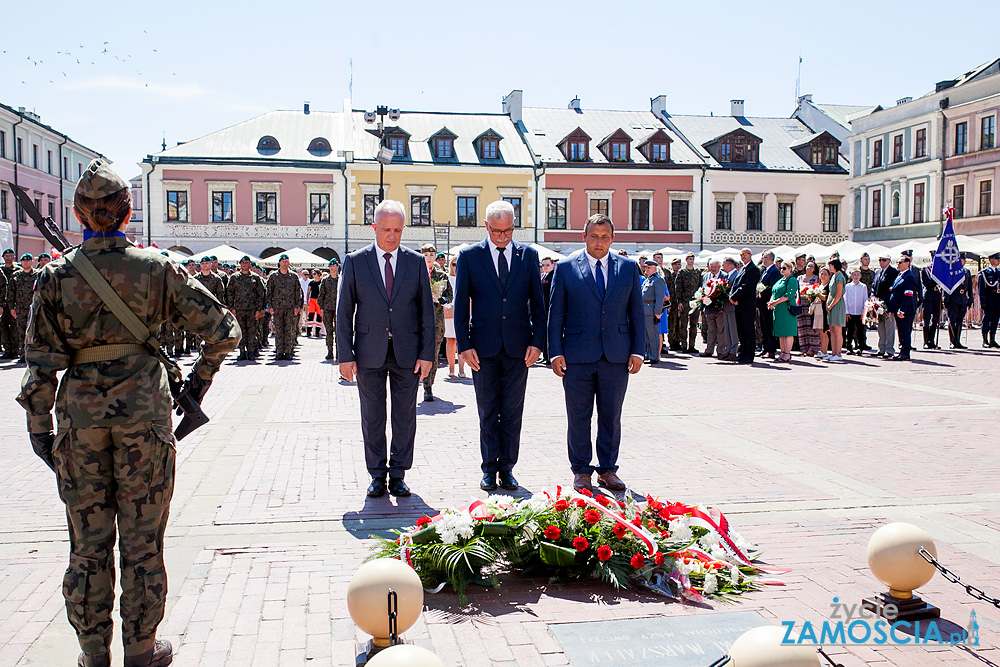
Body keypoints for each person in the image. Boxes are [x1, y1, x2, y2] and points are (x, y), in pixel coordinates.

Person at [17, 159, 239, 667]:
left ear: (77, 214)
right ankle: (141, 649)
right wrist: (198, 386)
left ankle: (94, 653)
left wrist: (38, 428)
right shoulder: (156, 268)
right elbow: (224, 330)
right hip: (146, 422)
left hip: (80, 425)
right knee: (142, 544)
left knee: (88, 545)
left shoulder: (54, 276)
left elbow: (41, 364)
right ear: (127, 210)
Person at [337, 200, 434, 499]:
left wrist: (427, 354)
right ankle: (377, 474)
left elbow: (426, 312)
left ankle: (399, 474)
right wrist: (345, 356)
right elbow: (343, 311)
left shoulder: (415, 262)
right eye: (386, 229)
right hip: (368, 351)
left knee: (405, 416)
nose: (391, 236)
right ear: (374, 228)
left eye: (397, 230)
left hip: (408, 352)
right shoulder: (355, 261)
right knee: (373, 416)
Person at [548, 214, 643, 492]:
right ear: (584, 236)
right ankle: (581, 470)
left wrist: (638, 350)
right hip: (576, 356)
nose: (599, 242)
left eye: (604, 237)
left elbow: (635, 311)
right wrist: (555, 352)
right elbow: (556, 314)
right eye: (594, 236)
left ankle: (608, 469)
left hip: (616, 355)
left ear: (613, 239)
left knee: (611, 416)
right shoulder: (565, 268)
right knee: (578, 415)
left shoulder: (627, 268)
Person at [454, 200, 545, 491]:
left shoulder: (528, 255)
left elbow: (539, 305)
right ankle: (488, 467)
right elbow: (460, 306)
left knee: (513, 410)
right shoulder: (469, 256)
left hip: (519, 348)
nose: (502, 237)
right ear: (486, 226)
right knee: (487, 409)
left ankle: (507, 468)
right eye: (496, 231)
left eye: (507, 231)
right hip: (482, 348)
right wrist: (464, 345)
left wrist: (537, 342)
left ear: (514, 227)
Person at [420, 243, 452, 402]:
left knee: (433, 353)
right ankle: (416, 382)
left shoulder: (442, 275)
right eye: (426, 255)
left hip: (436, 319)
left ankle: (428, 386)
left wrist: (444, 300)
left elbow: (449, 295)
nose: (429, 258)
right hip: (417, 320)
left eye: (431, 255)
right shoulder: (415, 273)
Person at [225, 256, 266, 360]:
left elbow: (261, 294)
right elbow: (229, 293)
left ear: (250, 265)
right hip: (239, 309)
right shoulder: (234, 278)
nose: (244, 264)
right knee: (240, 331)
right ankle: (242, 351)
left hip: (252, 309)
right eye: (242, 263)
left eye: (246, 263)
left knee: (252, 331)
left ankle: (251, 352)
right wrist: (232, 307)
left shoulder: (255, 278)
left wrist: (259, 309)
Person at [265, 254, 303, 361]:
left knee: (289, 329)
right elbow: (269, 292)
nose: (285, 263)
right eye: (283, 261)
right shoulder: (273, 276)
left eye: (286, 261)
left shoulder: (293, 276)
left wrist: (297, 306)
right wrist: (270, 306)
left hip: (290, 308)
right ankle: (280, 351)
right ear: (279, 263)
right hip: (277, 307)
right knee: (279, 330)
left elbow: (298, 292)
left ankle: (288, 351)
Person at [728, 248, 761, 364]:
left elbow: (747, 286)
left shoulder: (754, 269)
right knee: (741, 330)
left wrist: (734, 297)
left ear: (751, 255)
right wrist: (731, 296)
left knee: (748, 330)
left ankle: (749, 354)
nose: (743, 256)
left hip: (747, 304)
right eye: (741, 254)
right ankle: (742, 354)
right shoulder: (742, 268)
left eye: (746, 254)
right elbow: (735, 285)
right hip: (739, 304)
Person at [767, 260, 799, 362]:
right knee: (781, 332)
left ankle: (787, 353)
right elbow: (774, 291)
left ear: (790, 269)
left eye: (784, 268)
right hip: (778, 309)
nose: (782, 270)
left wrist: (775, 302)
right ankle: (782, 352)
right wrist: (771, 301)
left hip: (787, 309)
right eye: (781, 268)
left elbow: (788, 295)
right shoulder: (781, 280)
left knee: (788, 332)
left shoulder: (792, 280)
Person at [888, 254, 918, 361]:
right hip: (897, 309)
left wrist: (902, 310)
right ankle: (902, 351)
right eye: (898, 262)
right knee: (901, 331)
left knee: (905, 331)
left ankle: (905, 352)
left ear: (907, 263)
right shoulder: (900, 275)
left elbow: (908, 295)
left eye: (900, 262)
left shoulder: (909, 276)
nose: (898, 264)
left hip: (905, 310)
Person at [11, 253, 38, 363]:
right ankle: (24, 354)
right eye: (23, 261)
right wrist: (11, 307)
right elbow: (11, 292)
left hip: (34, 307)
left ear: (32, 262)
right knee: (21, 331)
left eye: (28, 260)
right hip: (20, 308)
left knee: (35, 331)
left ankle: (35, 353)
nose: (25, 262)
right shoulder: (16, 275)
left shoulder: (37, 275)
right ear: (20, 262)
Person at [871, 253, 898, 358]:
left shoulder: (893, 272)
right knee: (880, 328)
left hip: (887, 304)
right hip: (878, 305)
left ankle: (889, 349)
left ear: (889, 261)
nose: (881, 262)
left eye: (884, 260)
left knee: (889, 328)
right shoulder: (878, 272)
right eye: (880, 260)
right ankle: (881, 348)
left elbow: (893, 289)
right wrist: (873, 298)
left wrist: (886, 303)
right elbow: (874, 286)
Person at [443, 256, 466, 378]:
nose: (456, 267)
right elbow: (442, 294)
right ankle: (451, 368)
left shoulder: (465, 277)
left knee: (461, 340)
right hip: (449, 311)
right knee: (450, 340)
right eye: (453, 264)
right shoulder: (447, 278)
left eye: (458, 264)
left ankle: (461, 369)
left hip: (463, 311)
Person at [944, 260, 973, 349]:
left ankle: (957, 340)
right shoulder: (951, 271)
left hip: (962, 298)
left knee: (960, 320)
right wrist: (946, 299)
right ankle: (952, 341)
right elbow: (946, 286)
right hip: (953, 297)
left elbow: (970, 286)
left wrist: (970, 299)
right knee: (952, 320)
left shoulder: (966, 271)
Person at [640, 260, 666, 364]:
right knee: (646, 335)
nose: (647, 269)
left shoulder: (658, 280)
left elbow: (660, 298)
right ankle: (648, 354)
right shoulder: (648, 280)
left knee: (653, 335)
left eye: (649, 267)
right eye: (646, 267)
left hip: (651, 310)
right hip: (645, 309)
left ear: (655, 268)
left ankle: (654, 356)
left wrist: (658, 312)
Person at [699, 259, 726, 358]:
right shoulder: (706, 276)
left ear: (719, 267)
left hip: (720, 309)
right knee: (710, 330)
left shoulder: (724, 276)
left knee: (721, 330)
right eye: (711, 266)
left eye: (715, 267)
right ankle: (709, 350)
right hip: (709, 308)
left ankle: (721, 351)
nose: (713, 269)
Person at [757, 251, 780, 359]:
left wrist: (762, 291)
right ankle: (765, 348)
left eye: (765, 257)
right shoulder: (766, 270)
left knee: (769, 326)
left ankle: (771, 349)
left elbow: (773, 288)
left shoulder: (774, 271)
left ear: (770, 258)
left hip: (768, 302)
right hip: (763, 302)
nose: (763, 259)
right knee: (763, 326)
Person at [678, 253, 702, 353]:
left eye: (692, 259)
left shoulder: (697, 272)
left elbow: (700, 286)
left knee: (693, 324)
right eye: (689, 259)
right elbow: (678, 288)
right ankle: (684, 345)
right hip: (685, 301)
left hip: (695, 301)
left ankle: (692, 345)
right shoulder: (682, 272)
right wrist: (679, 301)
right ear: (686, 260)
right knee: (683, 324)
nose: (691, 261)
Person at [797, 261, 821, 357]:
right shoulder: (799, 278)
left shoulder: (816, 278)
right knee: (802, 327)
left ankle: (813, 348)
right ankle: (804, 348)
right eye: (808, 266)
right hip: (800, 303)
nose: (809, 268)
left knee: (811, 326)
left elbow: (817, 290)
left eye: (812, 266)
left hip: (810, 304)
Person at [824, 259, 846, 361]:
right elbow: (830, 293)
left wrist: (831, 305)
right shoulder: (833, 276)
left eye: (830, 265)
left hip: (837, 305)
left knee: (837, 330)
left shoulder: (840, 277)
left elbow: (838, 294)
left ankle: (838, 353)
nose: (829, 267)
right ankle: (833, 352)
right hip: (831, 304)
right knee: (832, 330)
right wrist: (828, 303)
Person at [317, 259, 339, 360]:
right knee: (329, 331)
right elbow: (321, 295)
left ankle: (339, 351)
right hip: (327, 308)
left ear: (337, 267)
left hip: (339, 309)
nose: (332, 268)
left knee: (339, 331)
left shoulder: (341, 280)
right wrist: (321, 307)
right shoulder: (325, 281)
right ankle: (330, 351)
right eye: (330, 266)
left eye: (334, 266)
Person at [844, 269, 869, 354]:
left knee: (860, 331)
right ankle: (849, 347)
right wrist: (846, 312)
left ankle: (860, 347)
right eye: (854, 275)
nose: (856, 276)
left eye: (858, 275)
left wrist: (864, 312)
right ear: (851, 276)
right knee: (850, 331)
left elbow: (865, 299)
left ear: (860, 276)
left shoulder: (863, 286)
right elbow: (845, 299)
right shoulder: (847, 286)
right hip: (850, 312)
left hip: (859, 312)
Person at [920, 254, 942, 349]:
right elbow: (927, 283)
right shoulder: (925, 270)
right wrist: (937, 282)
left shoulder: (941, 270)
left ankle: (932, 340)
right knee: (927, 320)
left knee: (936, 320)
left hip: (937, 296)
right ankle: (926, 341)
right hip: (928, 296)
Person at [979, 253, 1000, 348]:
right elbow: (981, 289)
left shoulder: (998, 272)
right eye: (996, 259)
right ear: (991, 260)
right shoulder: (984, 273)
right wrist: (983, 301)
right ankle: (985, 340)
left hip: (997, 300)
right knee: (987, 320)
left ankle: (992, 339)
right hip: (989, 300)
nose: (998, 261)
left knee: (995, 320)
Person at [0, 247, 18, 358]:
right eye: (6, 256)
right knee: (3, 326)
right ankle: (7, 350)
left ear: (14, 257)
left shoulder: (18, 270)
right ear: (3, 257)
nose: (8, 258)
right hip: (2, 303)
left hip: (14, 303)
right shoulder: (0, 270)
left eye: (10, 256)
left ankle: (16, 350)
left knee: (15, 327)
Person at [664, 258, 683, 351]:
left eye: (678, 264)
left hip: (679, 302)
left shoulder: (682, 275)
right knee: (672, 322)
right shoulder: (669, 276)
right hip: (671, 303)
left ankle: (678, 341)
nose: (677, 266)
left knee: (679, 323)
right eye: (675, 264)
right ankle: (671, 341)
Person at [539, 256, 555, 363]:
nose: (545, 267)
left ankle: (549, 356)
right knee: (544, 333)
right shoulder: (543, 276)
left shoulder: (554, 276)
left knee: (549, 333)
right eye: (543, 265)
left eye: (547, 265)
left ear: (553, 265)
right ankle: (545, 356)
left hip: (548, 308)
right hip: (543, 309)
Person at [305, 269, 323, 337]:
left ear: (318, 274)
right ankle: (308, 332)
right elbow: (308, 292)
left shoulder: (321, 282)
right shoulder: (311, 283)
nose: (313, 275)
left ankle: (317, 332)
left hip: (318, 300)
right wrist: (307, 301)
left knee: (319, 316)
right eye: (312, 274)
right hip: (312, 300)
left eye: (315, 273)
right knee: (310, 316)